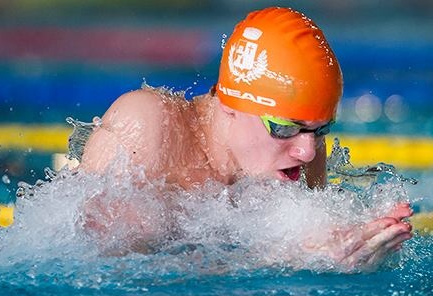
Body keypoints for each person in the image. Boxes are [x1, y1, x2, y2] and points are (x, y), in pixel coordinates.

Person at [79, 7, 412, 270]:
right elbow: (97, 269)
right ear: (230, 106)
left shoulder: (302, 151)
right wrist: (282, 259)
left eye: (320, 129)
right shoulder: (148, 128)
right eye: (283, 127)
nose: (307, 151)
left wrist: (348, 248)